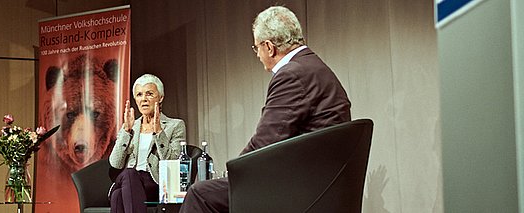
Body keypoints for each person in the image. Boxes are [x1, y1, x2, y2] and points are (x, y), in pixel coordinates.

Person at [180, 6, 351, 213]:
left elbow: (267, 141)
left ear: (269, 47)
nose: (258, 55)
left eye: (256, 48)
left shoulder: (292, 75)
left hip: (299, 188)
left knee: (200, 193)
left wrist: (233, 170)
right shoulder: (316, 67)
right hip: (323, 184)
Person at [109, 74, 187, 213]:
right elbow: (115, 163)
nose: (144, 99)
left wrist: (158, 133)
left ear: (160, 97)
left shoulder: (174, 125)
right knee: (129, 174)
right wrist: (126, 131)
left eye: (149, 94)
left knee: (117, 196)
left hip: (154, 183)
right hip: (128, 178)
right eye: (139, 95)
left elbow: (173, 162)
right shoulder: (130, 126)